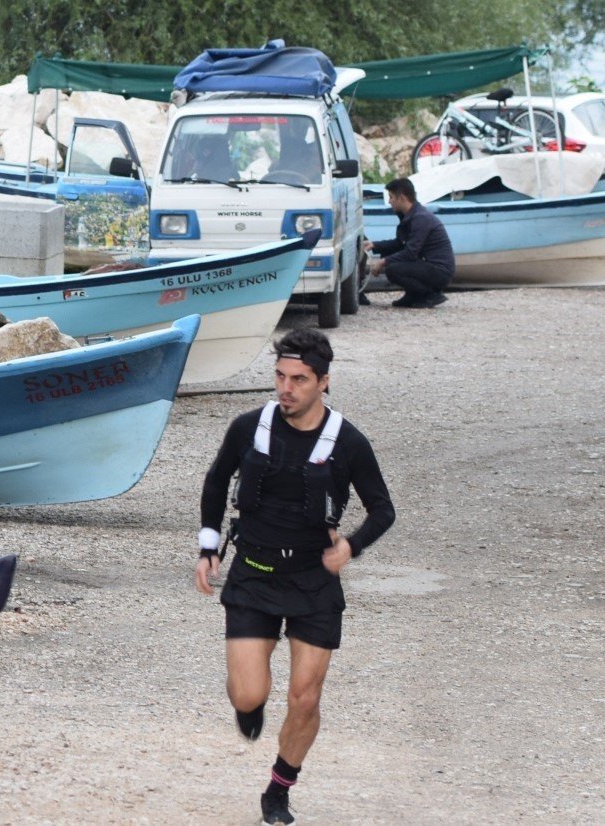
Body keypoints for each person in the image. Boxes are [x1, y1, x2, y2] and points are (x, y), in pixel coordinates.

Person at [194, 328, 395, 825]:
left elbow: (383, 509)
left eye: (300, 379)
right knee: (248, 695)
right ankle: (250, 703)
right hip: (255, 573)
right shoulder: (248, 428)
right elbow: (217, 482)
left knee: (305, 697)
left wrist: (352, 544)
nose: (287, 388)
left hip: (313, 581)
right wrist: (208, 546)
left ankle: (279, 787)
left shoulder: (347, 441)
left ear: (324, 382)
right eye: (280, 376)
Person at [364, 177, 455, 308]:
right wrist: (374, 245)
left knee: (393, 269)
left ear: (401, 198)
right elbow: (400, 243)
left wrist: (383, 262)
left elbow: (410, 253)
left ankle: (429, 295)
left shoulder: (421, 218)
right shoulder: (409, 215)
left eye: (391, 197)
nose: (389, 202)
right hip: (427, 265)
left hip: (439, 271)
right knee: (392, 260)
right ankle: (412, 294)